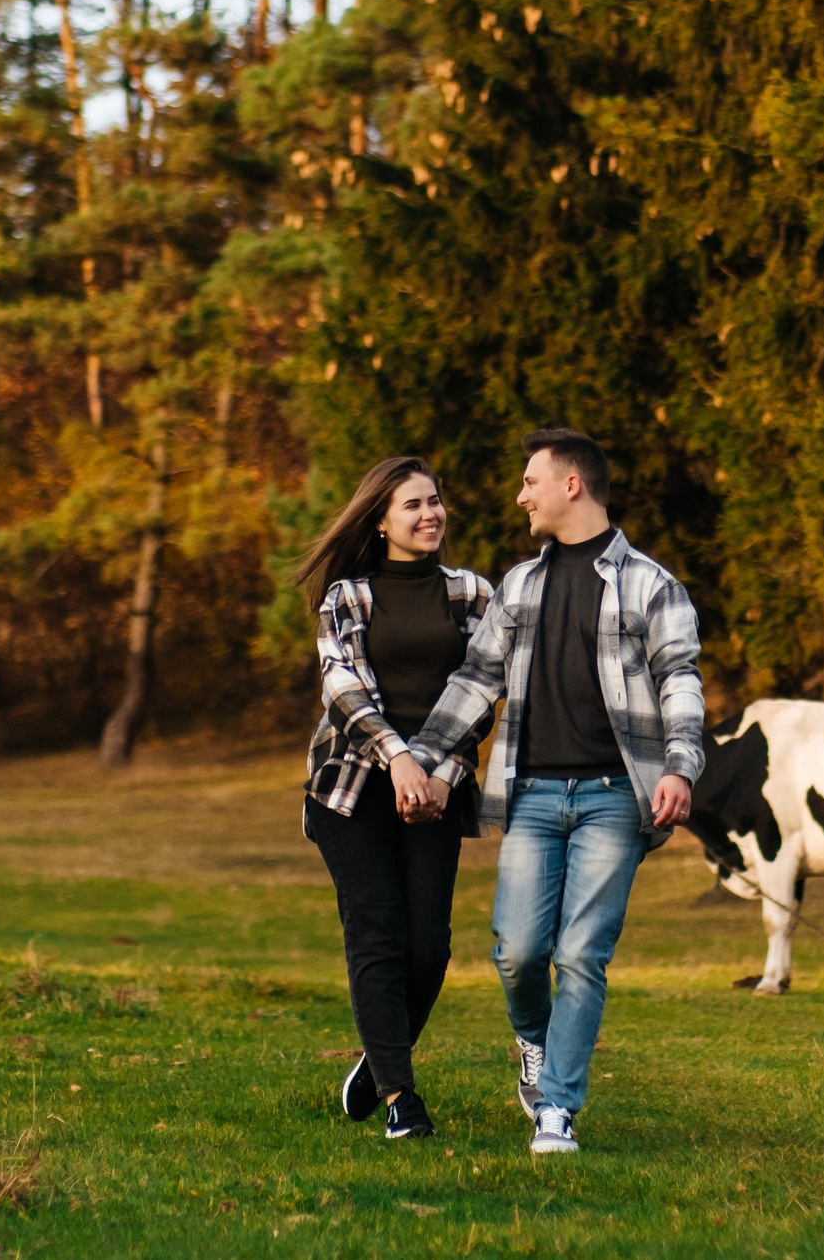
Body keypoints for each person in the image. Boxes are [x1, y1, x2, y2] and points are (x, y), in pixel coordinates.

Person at [405, 427, 704, 1155]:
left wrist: (680, 764)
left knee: (580, 954)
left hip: (613, 797)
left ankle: (557, 1110)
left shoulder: (650, 585)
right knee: (517, 951)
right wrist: (419, 756)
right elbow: (477, 683)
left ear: (571, 484)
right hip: (532, 796)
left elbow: (680, 679)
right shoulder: (520, 584)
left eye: (531, 480)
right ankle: (534, 1046)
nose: (520, 495)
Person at [295, 456, 492, 1142]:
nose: (429, 514)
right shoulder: (347, 596)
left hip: (437, 788)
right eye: (412, 505)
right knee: (377, 932)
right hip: (352, 788)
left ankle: (378, 1060)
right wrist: (399, 758)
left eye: (435, 501)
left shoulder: (471, 594)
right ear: (380, 520)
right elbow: (343, 688)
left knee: (429, 948)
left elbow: (482, 689)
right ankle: (400, 1096)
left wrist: (437, 771)